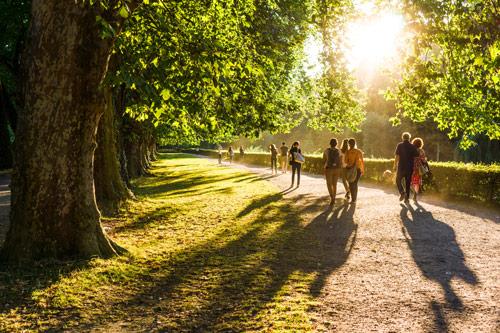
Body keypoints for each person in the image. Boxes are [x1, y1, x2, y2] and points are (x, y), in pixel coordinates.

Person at [393, 132, 419, 204]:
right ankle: (406, 199)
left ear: (403, 138)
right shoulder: (412, 146)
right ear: (409, 138)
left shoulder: (399, 145)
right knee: (407, 183)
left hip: (401, 167)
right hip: (410, 167)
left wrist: (394, 165)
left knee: (398, 180)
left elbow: (397, 156)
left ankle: (402, 192)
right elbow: (417, 155)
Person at [322, 138, 342, 205]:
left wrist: (322, 169)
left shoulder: (326, 151)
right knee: (334, 184)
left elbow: (324, 161)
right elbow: (340, 162)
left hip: (329, 169)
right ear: (336, 144)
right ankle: (334, 197)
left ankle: (332, 196)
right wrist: (340, 170)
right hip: (337, 169)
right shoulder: (339, 151)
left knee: (329, 184)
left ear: (330, 144)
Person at [344, 138, 364, 204]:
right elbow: (362, 162)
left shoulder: (347, 152)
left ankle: (353, 199)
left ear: (348, 144)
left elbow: (345, 161)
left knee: (351, 184)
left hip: (350, 170)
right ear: (355, 143)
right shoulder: (359, 151)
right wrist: (362, 170)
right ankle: (354, 199)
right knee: (355, 184)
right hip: (358, 169)